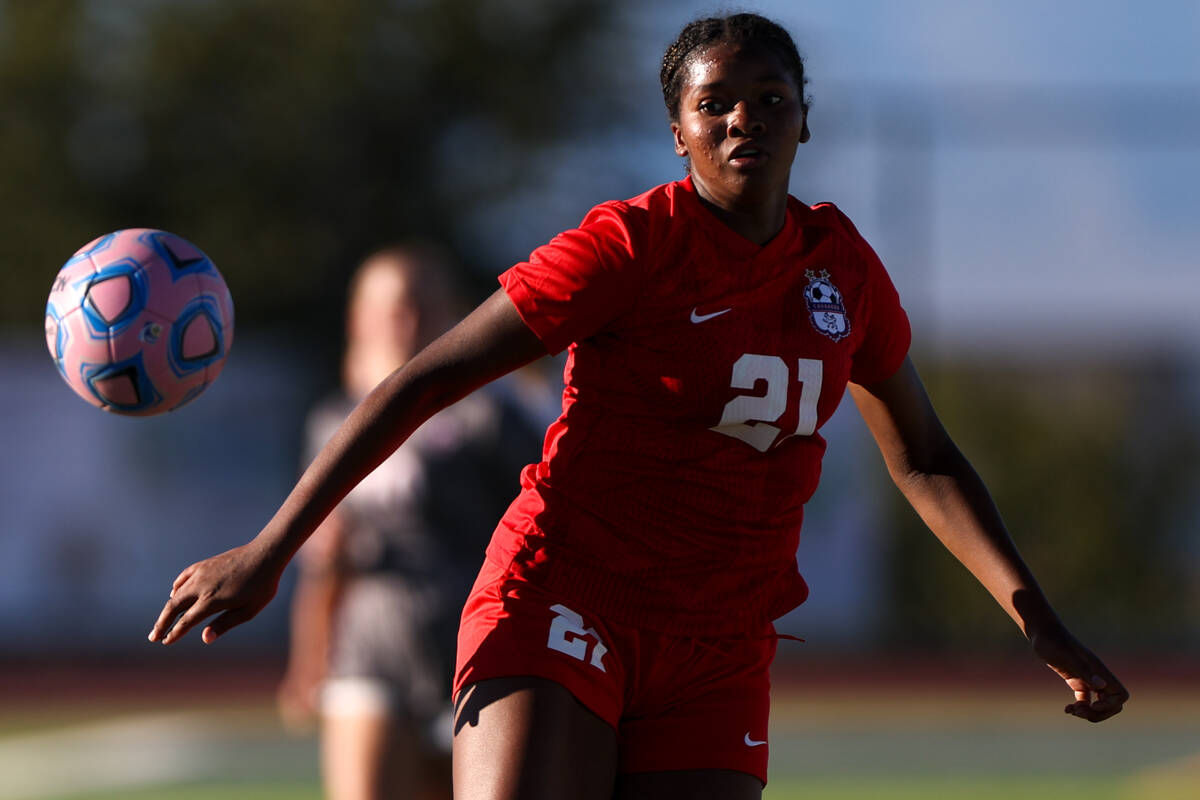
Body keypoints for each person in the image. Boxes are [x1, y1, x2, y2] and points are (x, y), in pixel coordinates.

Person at [150, 13, 1128, 799]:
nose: (745, 118)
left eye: (769, 98)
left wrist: (1036, 616)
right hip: (566, 595)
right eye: (717, 104)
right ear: (680, 131)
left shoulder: (844, 272)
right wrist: (269, 547)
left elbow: (924, 456)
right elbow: (426, 377)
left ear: (804, 120)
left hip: (719, 638)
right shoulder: (629, 247)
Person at [276, 246, 542, 800]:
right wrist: (308, 658)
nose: (405, 319)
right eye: (390, 306)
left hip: (473, 648)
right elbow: (328, 558)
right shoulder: (333, 423)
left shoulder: (489, 416)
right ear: (358, 318)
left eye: (420, 304)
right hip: (371, 647)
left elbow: (539, 533)